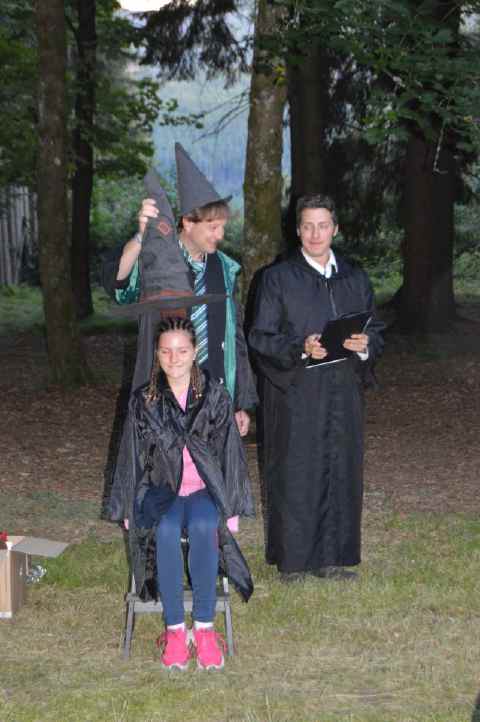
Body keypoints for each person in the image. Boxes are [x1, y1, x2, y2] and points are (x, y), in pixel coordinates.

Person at [248, 194, 384, 583]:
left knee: (340, 469)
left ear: (335, 229)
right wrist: (300, 347)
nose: (315, 234)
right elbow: (260, 336)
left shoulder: (354, 277)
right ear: (297, 230)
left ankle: (333, 558)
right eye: (307, 226)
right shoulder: (277, 278)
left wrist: (365, 345)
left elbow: (376, 329)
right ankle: (294, 562)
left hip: (343, 392)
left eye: (323, 225)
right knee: (296, 473)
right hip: (297, 392)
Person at [109, 317, 254, 670]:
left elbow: (230, 453)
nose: (174, 359)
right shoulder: (144, 400)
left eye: (182, 351)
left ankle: (204, 629)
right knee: (166, 529)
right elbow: (131, 456)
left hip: (204, 489)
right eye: (166, 352)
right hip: (161, 491)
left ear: (195, 351)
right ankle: (175, 630)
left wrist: (232, 507)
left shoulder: (215, 396)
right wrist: (129, 507)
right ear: (156, 354)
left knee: (205, 526)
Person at [103, 143, 257, 435]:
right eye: (213, 227)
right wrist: (141, 235)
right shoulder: (159, 261)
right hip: (165, 400)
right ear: (187, 222)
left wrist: (240, 403)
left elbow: (235, 337)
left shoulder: (224, 268)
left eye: (223, 227)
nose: (221, 235)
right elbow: (120, 286)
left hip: (215, 397)